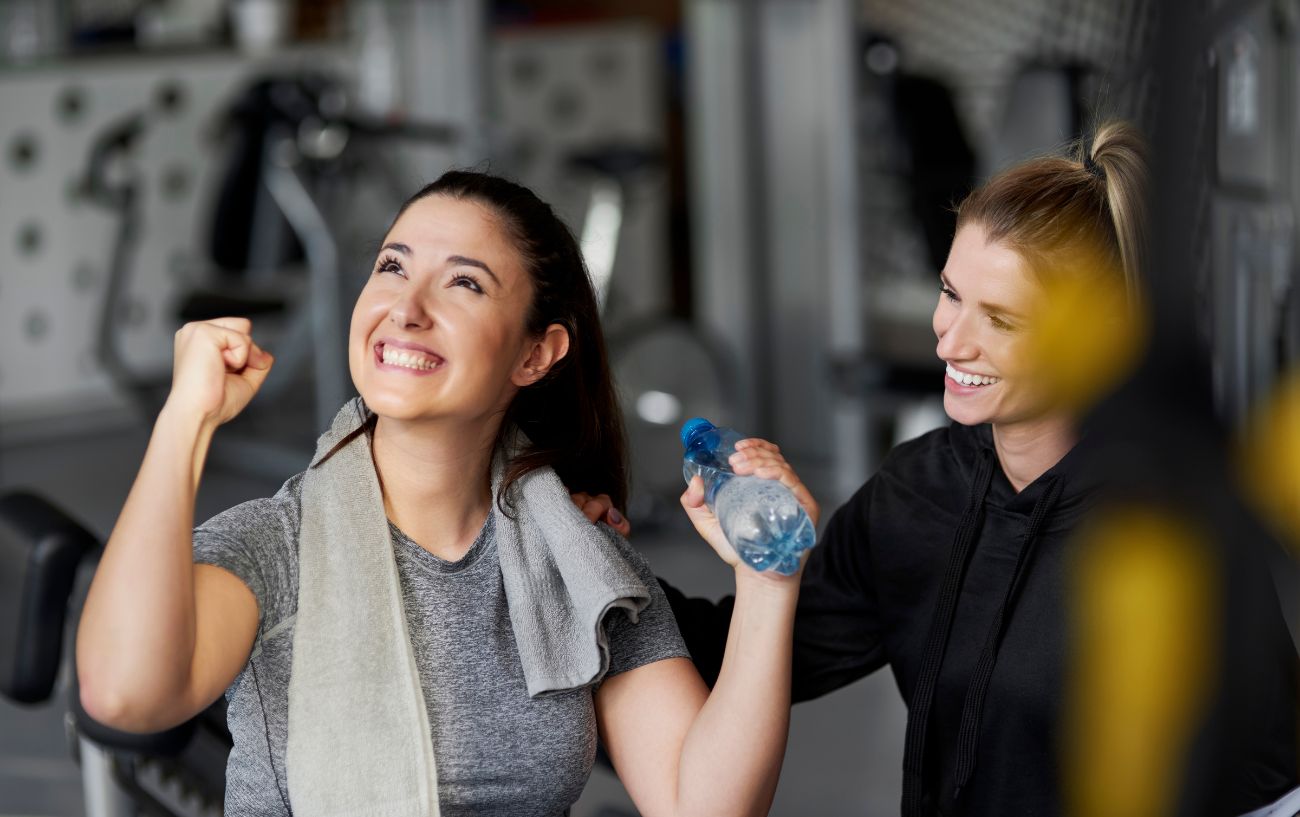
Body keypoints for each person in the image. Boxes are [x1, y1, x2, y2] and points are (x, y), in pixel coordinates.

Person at [579, 120, 1299, 815]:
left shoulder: (1167, 531)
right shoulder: (920, 492)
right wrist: (592, 555)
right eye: (951, 294)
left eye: (1002, 319)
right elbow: (738, 657)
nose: (951, 341)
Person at [75, 170, 816, 817]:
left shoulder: (579, 562)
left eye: (464, 281)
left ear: (537, 352)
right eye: (392, 266)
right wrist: (185, 420)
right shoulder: (277, 545)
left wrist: (768, 582)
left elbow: (706, 804)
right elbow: (124, 694)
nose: (406, 306)